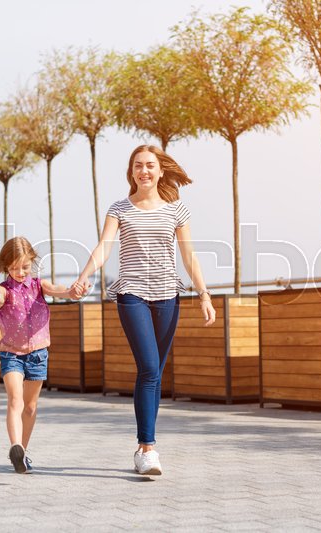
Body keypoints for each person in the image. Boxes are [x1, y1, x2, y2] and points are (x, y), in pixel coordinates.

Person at [71, 145, 216, 476]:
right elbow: (105, 246)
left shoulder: (177, 210)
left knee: (155, 373)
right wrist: (84, 276)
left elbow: (189, 256)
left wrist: (204, 295)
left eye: (150, 165)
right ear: (131, 171)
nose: (144, 171)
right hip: (132, 294)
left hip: (168, 296)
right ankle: (147, 448)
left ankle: (143, 448)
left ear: (160, 170)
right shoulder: (120, 208)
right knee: (149, 367)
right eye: (138, 166)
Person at [0, 236, 74, 474]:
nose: (20, 272)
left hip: (38, 354)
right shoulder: (5, 290)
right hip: (11, 354)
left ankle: (22, 453)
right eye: (13, 267)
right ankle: (15, 445)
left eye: (24, 266)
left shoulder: (39, 286)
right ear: (5, 267)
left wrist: (73, 291)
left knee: (30, 407)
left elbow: (59, 290)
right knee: (16, 400)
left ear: (32, 262)